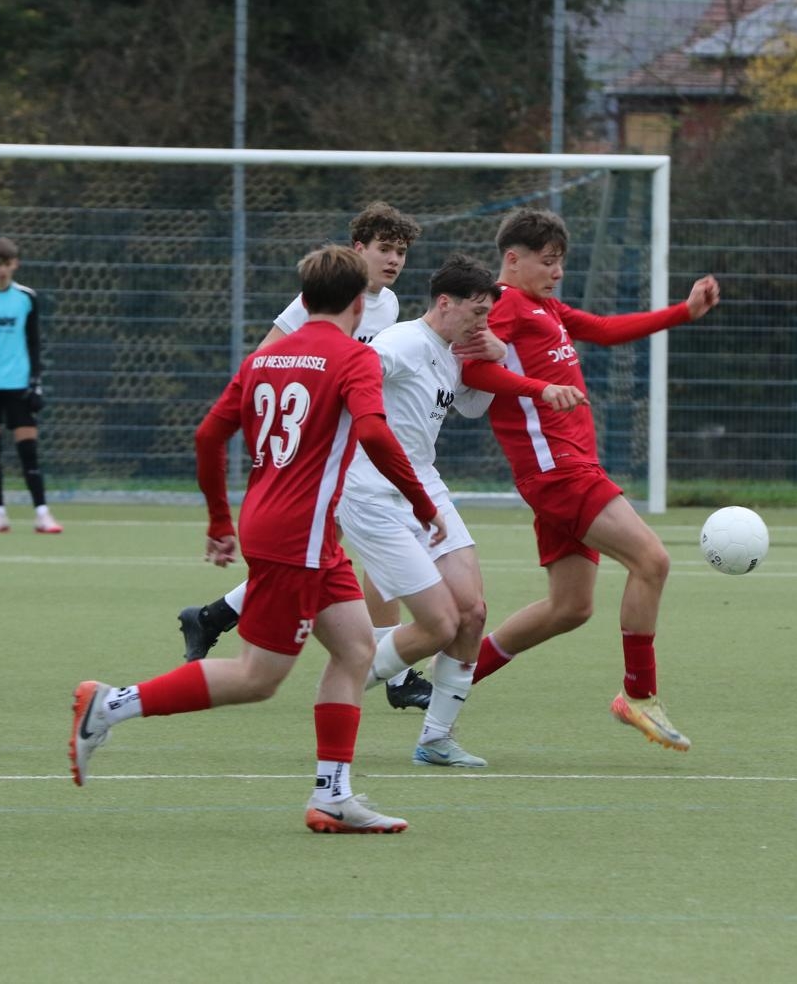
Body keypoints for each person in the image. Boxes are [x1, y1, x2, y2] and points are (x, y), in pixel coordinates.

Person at [70, 244, 445, 834]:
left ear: (305, 299)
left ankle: (332, 795)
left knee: (355, 650)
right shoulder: (355, 357)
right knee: (257, 677)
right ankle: (111, 704)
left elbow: (207, 436)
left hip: (291, 528)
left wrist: (220, 521)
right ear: (358, 302)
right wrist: (422, 503)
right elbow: (374, 432)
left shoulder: (264, 357)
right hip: (298, 536)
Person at [460, 207, 721, 752]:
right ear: (513, 259)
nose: (557, 272)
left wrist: (684, 312)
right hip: (558, 469)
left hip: (569, 467)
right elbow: (474, 370)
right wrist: (540, 389)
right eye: (547, 261)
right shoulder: (504, 304)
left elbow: (602, 330)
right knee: (652, 561)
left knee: (570, 607)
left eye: (561, 262)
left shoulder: (545, 306)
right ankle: (639, 695)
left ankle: (448, 681)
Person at [175, 202, 433, 708]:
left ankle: (215, 616)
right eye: (384, 249)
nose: (394, 260)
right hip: (319, 442)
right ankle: (396, 674)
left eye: (401, 252)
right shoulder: (318, 302)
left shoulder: (389, 305)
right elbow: (266, 359)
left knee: (324, 551)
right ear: (357, 249)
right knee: (363, 544)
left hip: (350, 440)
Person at [334, 254, 585, 767]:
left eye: (487, 315)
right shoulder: (402, 343)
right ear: (445, 303)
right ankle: (344, 682)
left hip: (424, 484)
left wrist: (497, 356)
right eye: (477, 313)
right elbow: (350, 379)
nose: (483, 324)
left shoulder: (454, 351)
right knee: (440, 623)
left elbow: (470, 405)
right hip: (372, 493)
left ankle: (435, 739)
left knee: (472, 613)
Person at [0, 236, 62, 534]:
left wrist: (36, 382)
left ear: (15, 264)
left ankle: (42, 513)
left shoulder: (27, 298)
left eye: (7, 263)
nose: (2, 269)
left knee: (28, 451)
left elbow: (34, 342)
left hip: (18, 385)